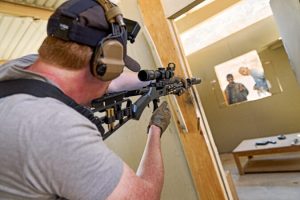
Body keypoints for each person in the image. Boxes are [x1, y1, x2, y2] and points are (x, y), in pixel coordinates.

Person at [0, 0, 172, 199]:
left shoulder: (19, 68)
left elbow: (113, 83)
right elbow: (145, 196)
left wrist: (154, 80)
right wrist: (155, 130)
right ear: (104, 67)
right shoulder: (55, 128)